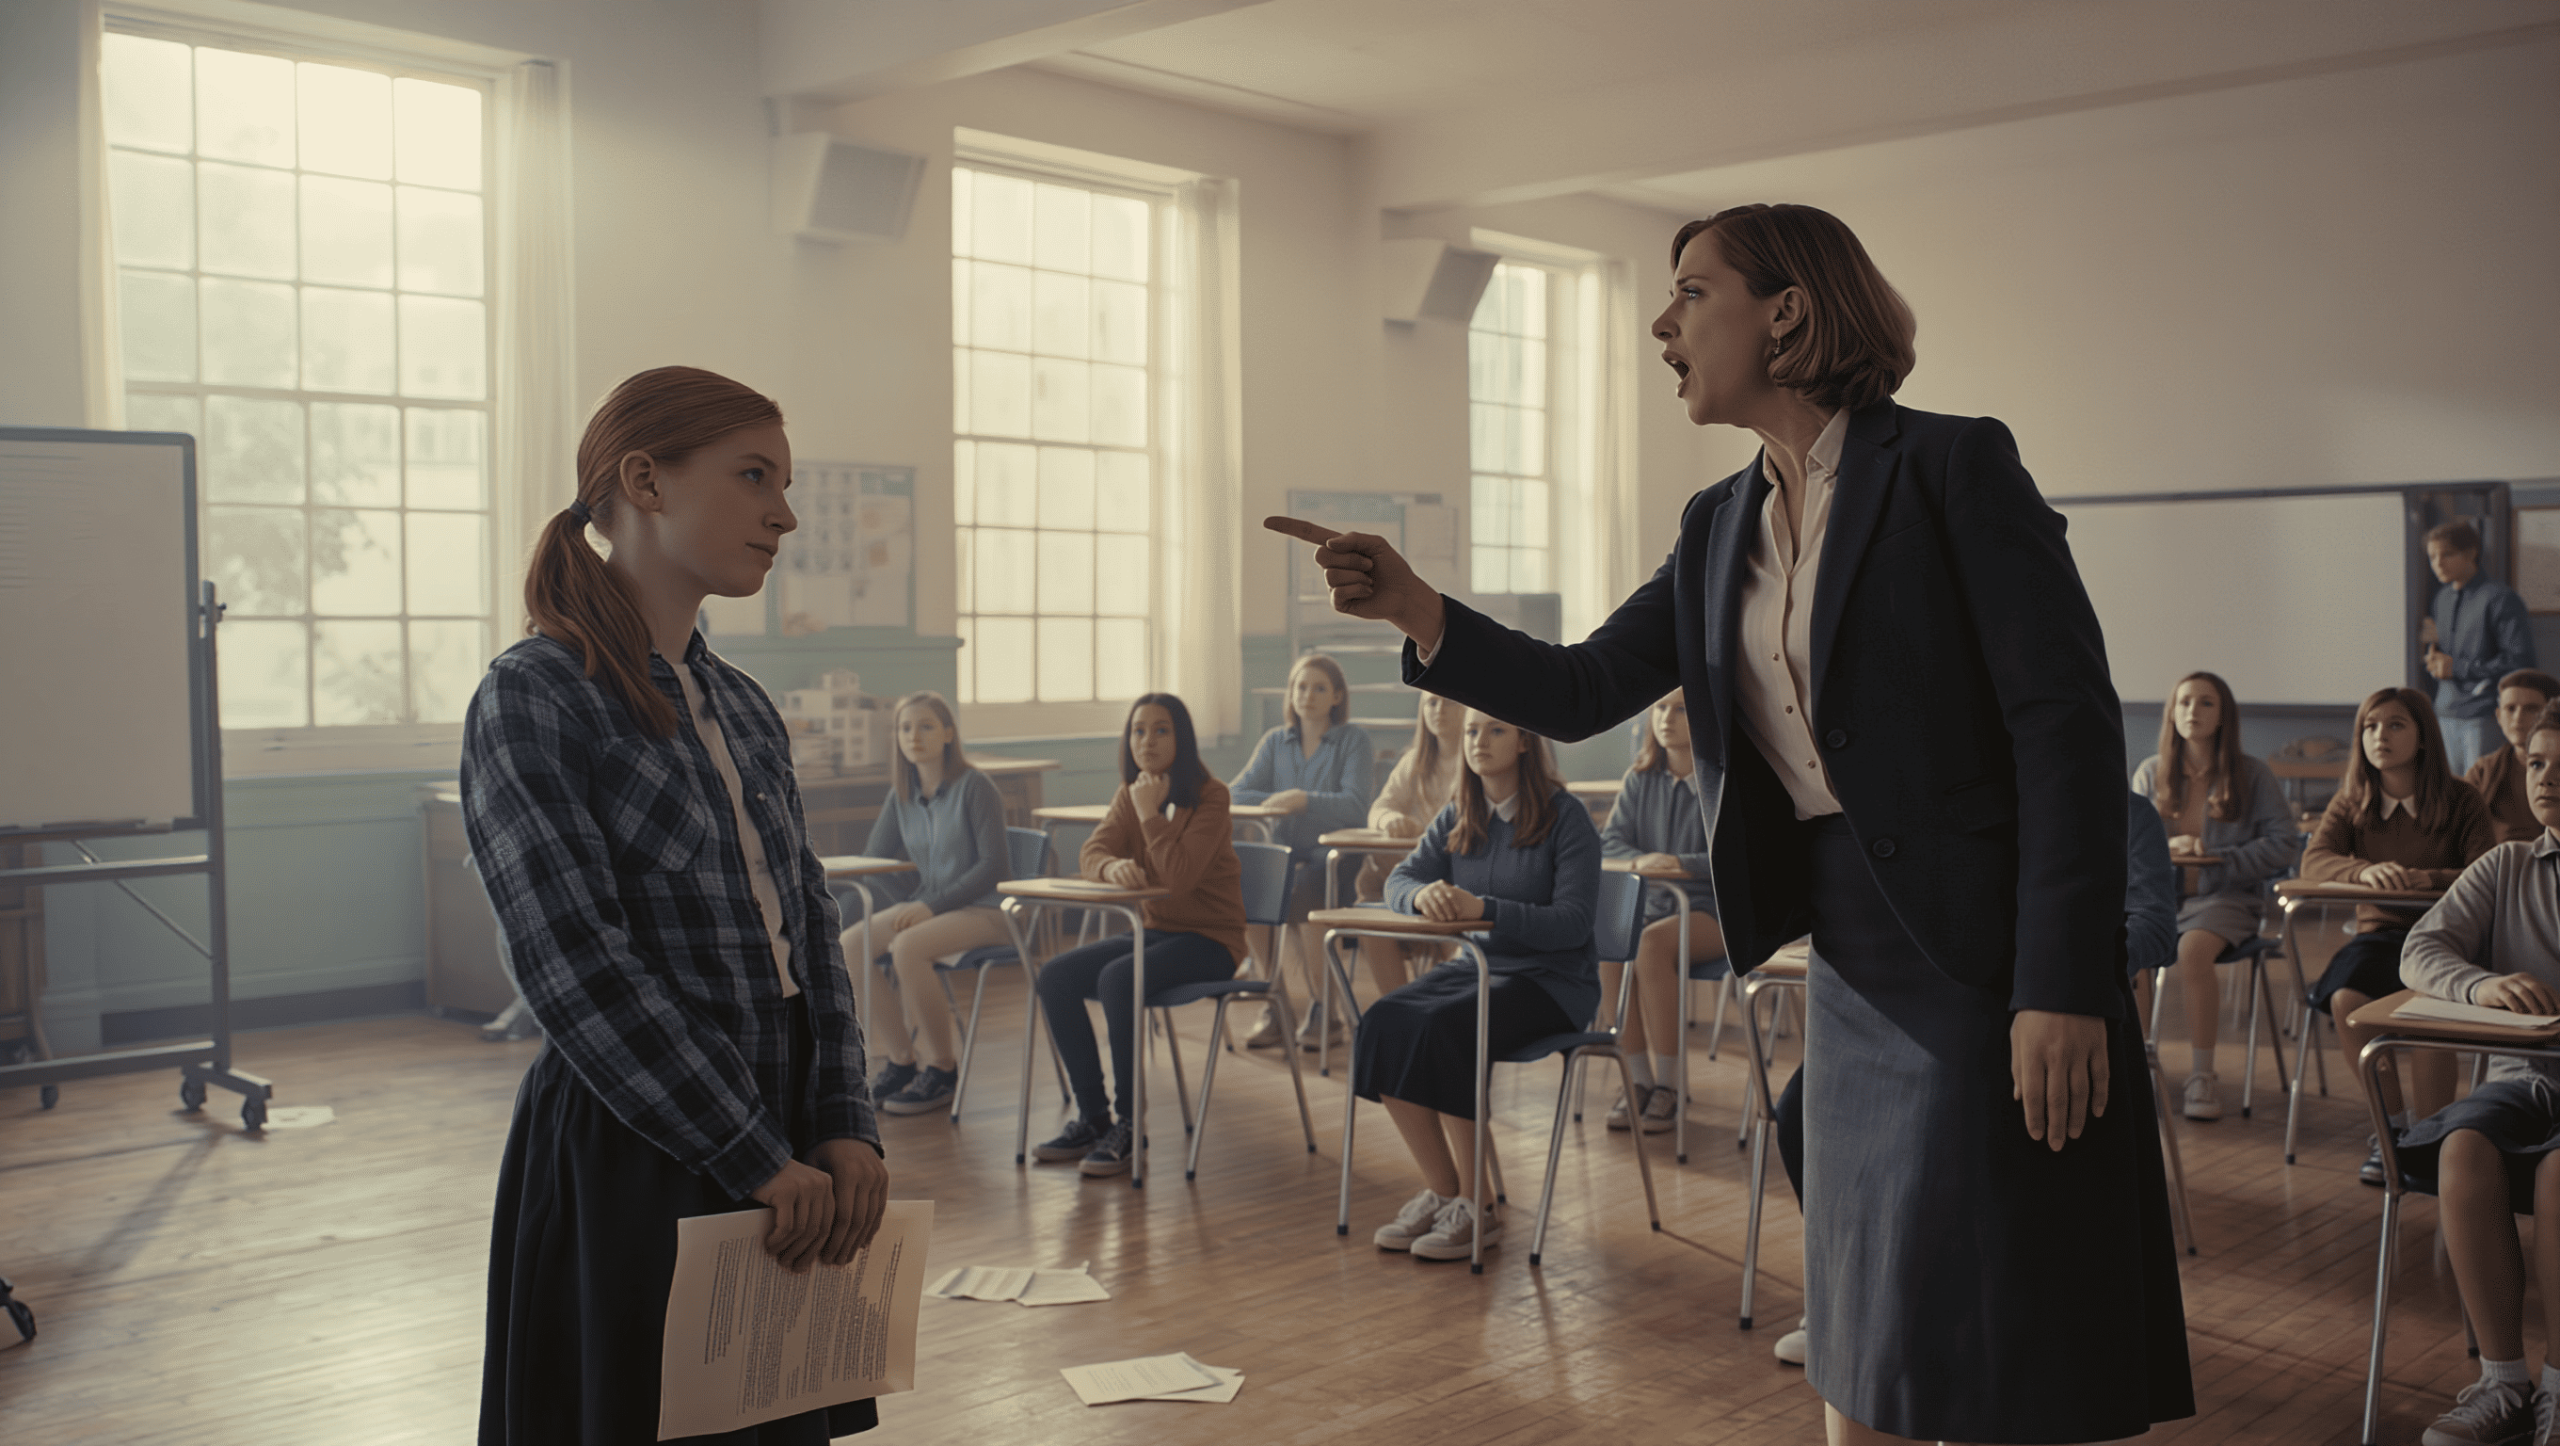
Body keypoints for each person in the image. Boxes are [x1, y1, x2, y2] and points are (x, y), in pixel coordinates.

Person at [1270, 202, 2191, 1444]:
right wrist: (1418, 608)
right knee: (1860, 1321)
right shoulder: (1718, 523)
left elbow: (2068, 731)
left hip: (1989, 965)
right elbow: (1589, 686)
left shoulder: (1952, 467)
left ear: (1788, 312)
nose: (1663, 322)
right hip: (1853, 968)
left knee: (1996, 1331)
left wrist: (2063, 984)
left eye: (1691, 292)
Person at [462, 366, 888, 1445]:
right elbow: (573, 966)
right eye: (754, 477)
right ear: (643, 480)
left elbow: (811, 929)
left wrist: (843, 1125)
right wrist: (750, 1154)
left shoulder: (741, 706)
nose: (785, 514)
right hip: (639, 1147)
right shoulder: (535, 693)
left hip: (787, 1139)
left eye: (784, 484)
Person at [1768, 790, 2179, 1370]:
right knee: (1797, 1113)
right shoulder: (1956, 797)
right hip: (1932, 1006)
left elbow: (2157, 925)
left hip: (2050, 1009)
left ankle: (1957, 1326)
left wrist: (2064, 959)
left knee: (1958, 1141)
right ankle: (1851, 1300)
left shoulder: (2130, 813)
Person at [1360, 709, 1600, 1263]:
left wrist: (1485, 909)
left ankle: (1480, 1205)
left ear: (1523, 741)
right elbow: (1401, 878)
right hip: (1475, 970)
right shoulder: (1458, 814)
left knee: (1445, 1030)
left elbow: (1573, 923)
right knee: (1383, 1022)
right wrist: (1419, 897)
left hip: (1553, 983)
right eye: (1471, 731)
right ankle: (1446, 1192)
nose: (1479, 741)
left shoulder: (1567, 818)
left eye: (1495, 729)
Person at [2392, 697, 2560, 1446]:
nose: (2546, 779)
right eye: (2536, 763)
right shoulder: (2509, 863)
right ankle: (2504, 1381)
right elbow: (2420, 951)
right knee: (2463, 1147)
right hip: (2522, 1079)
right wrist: (2482, 984)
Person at [1030, 694, 1248, 1177]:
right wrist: (1110, 865)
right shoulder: (1131, 792)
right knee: (1055, 976)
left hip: (1212, 942)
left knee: (1116, 979)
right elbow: (1091, 851)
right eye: (1138, 731)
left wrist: (1149, 814)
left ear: (1182, 738)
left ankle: (1130, 1126)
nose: (1147, 740)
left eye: (1161, 730)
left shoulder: (1212, 795)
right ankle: (1092, 1118)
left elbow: (1179, 878)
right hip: (1158, 932)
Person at [2299, 686, 2496, 1185]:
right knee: (2346, 997)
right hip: (2383, 937)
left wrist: (2424, 879)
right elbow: (2314, 860)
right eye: (2369, 726)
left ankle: (2432, 1135)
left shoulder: (2461, 798)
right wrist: (2364, 873)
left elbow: (2484, 873)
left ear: (2424, 737)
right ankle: (2391, 1129)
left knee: (2432, 1015)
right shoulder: (2353, 802)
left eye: (2394, 725)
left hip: (2449, 938)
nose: (2379, 736)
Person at [2126, 672, 2301, 1121]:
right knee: (2135, 946)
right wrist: (2167, 849)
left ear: (2223, 715)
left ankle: (2203, 1074)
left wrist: (2217, 857)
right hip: (2161, 899)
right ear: (2171, 712)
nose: (2192, 711)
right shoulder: (2150, 772)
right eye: (2184, 702)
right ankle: (2139, 1063)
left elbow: (2284, 844)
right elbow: (2123, 844)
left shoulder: (2252, 773)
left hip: (2226, 900)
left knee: (2192, 951)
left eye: (2205, 703)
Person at [844, 691, 1013, 1117]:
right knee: (850, 944)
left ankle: (941, 1067)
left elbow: (994, 866)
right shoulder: (902, 792)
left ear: (948, 734)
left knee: (908, 946)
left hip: (988, 911)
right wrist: (906, 901)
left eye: (926, 726)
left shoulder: (976, 786)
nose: (913, 736)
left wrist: (929, 906)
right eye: (904, 728)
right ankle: (901, 1061)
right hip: (934, 908)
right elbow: (873, 861)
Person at [1230, 652, 1376, 1051]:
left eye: (1319, 688)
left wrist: (1303, 801)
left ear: (1337, 697)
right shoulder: (1275, 741)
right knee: (1244, 887)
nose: (1307, 695)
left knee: (1309, 887)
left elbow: (1356, 805)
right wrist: (1281, 798)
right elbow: (1234, 791)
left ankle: (1323, 1010)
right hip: (1284, 856)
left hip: (1334, 859)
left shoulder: (1353, 741)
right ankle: (1275, 1005)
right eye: (1300, 686)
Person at [1596, 689, 1724, 1133]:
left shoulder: (1722, 779)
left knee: (1649, 945)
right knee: (1611, 940)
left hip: (1715, 913)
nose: (1667, 718)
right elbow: (1610, 842)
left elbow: (1741, 856)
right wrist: (1639, 861)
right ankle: (1638, 1081)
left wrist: (1678, 864)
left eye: (1681, 709)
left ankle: (1670, 1085)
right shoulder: (1641, 777)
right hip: (1654, 906)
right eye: (1660, 708)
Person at [1356, 690, 1468, 995]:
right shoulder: (1414, 760)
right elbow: (1379, 808)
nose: (1439, 709)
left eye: (1450, 701)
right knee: (1371, 920)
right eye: (1431, 702)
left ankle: (1448, 1008)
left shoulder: (1476, 758)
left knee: (1451, 918)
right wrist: (1389, 820)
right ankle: (1398, 1007)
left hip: (1459, 881)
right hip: (1418, 882)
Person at [2424, 519, 2536, 776]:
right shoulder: (2441, 599)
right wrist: (2436, 661)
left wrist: (2458, 668)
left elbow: (2521, 663)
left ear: (2471, 553)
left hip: (2482, 716)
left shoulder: (2500, 598)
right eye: (2432, 557)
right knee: (2450, 800)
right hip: (2444, 712)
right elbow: (2449, 657)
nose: (2437, 563)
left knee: (2481, 798)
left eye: (2447, 554)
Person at [2465, 668, 2560, 844]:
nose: (2518, 718)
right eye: (2510, 709)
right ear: (2499, 716)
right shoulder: (2483, 772)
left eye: (2531, 709)